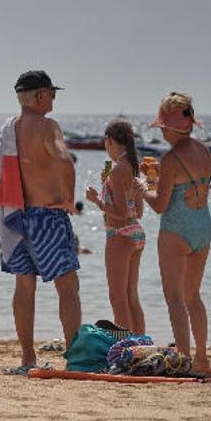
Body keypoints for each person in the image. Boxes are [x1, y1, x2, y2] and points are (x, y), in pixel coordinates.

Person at [0, 70, 81, 374]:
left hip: (15, 216)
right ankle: (75, 356)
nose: (53, 99)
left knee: (24, 286)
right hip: (46, 215)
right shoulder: (48, 126)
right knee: (67, 286)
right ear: (39, 95)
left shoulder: (9, 130)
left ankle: (28, 358)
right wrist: (68, 198)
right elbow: (65, 159)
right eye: (52, 93)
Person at [136, 92, 211, 371]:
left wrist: (143, 186)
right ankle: (202, 358)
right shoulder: (204, 151)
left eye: (163, 128)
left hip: (176, 230)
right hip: (203, 225)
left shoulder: (170, 159)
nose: (163, 133)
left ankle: (183, 358)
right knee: (193, 296)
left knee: (174, 298)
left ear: (170, 128)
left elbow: (159, 205)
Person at [85, 121, 146, 335]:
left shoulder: (119, 170)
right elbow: (137, 211)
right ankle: (140, 344)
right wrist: (108, 187)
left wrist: (96, 200)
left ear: (109, 140)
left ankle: (126, 348)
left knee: (117, 296)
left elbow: (119, 212)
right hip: (135, 232)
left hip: (119, 234)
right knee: (131, 295)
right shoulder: (132, 167)